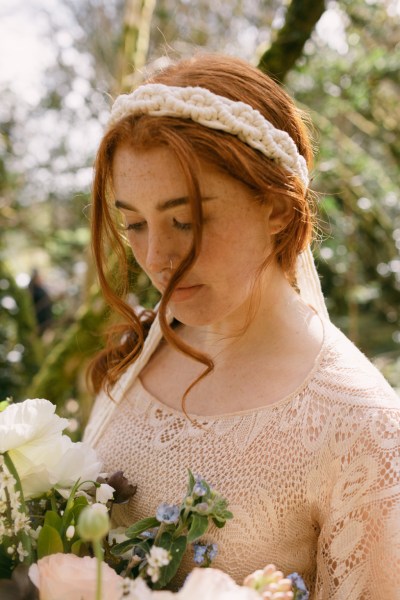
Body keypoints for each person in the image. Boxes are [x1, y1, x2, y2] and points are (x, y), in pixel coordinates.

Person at [84, 54, 400, 598]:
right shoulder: (141, 347)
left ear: (276, 207)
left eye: (186, 220)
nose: (157, 256)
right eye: (134, 223)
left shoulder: (360, 429)